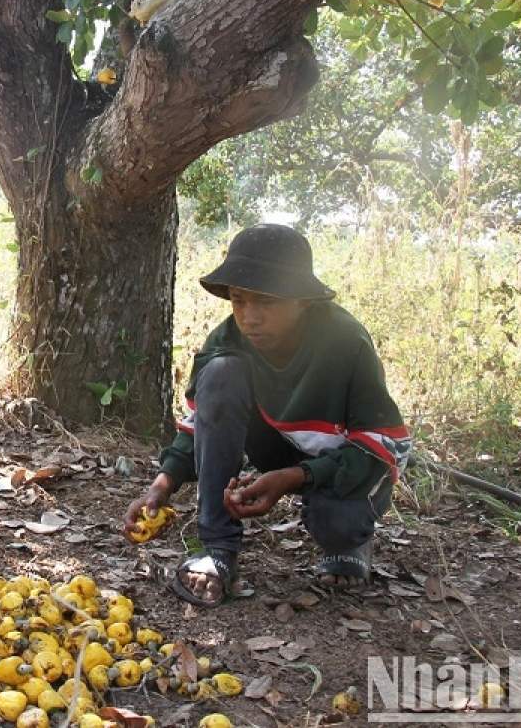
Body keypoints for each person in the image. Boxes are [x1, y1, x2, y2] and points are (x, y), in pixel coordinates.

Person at [123, 224, 410, 607]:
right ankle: (218, 550)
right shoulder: (226, 341)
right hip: (274, 447)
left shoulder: (345, 343)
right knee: (222, 371)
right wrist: (161, 486)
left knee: (338, 522)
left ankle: (350, 545)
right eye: (239, 301)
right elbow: (198, 426)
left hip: (339, 462)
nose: (250, 317)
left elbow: (384, 446)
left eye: (266, 301)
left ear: (303, 300)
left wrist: (295, 478)